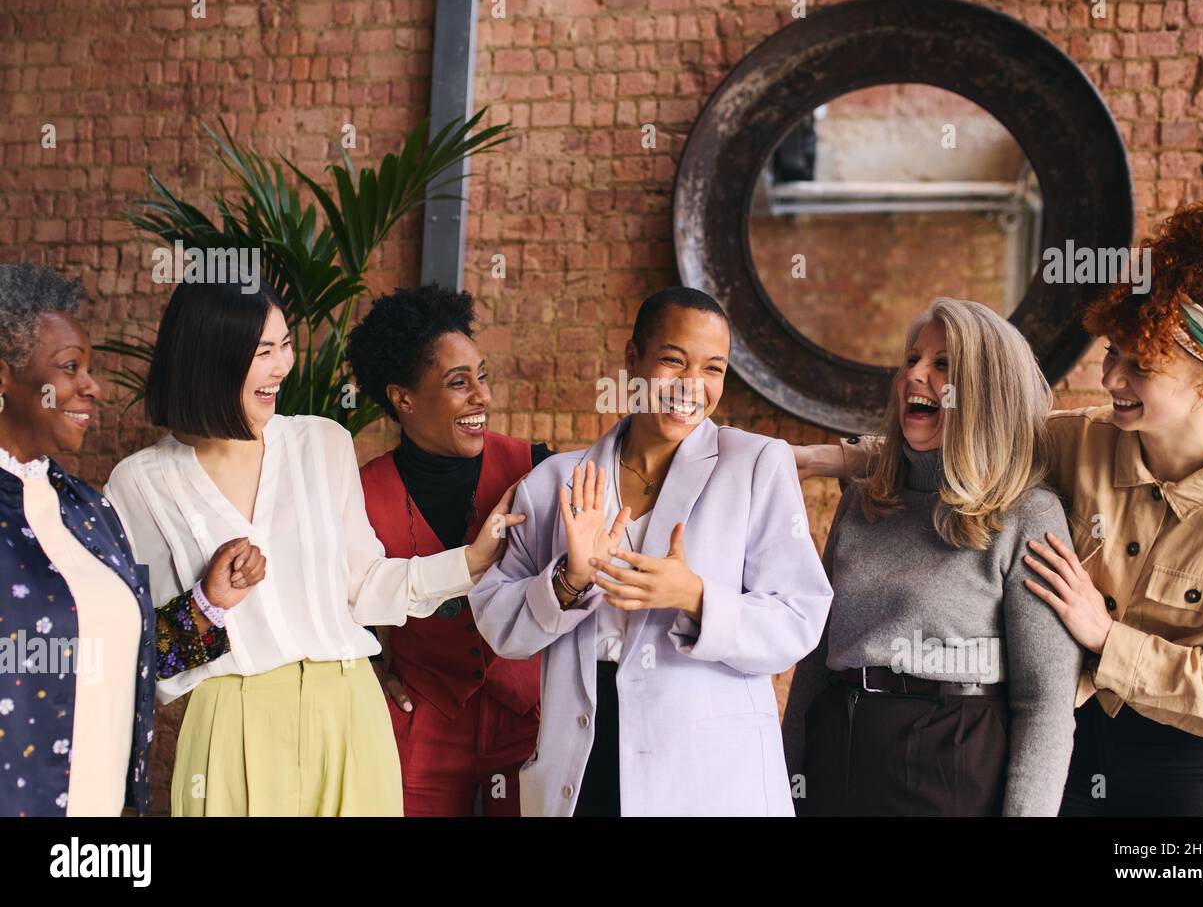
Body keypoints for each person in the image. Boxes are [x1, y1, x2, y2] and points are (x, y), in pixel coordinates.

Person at [795, 202, 1203, 816]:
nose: (1111, 378)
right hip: (1076, 742)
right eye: (1114, 352)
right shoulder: (1080, 439)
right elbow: (971, 438)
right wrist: (833, 459)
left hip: (1188, 762)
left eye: (1140, 367)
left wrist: (1112, 641)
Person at [104, 277, 522, 817]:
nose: (284, 366)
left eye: (285, 345)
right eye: (264, 351)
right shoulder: (139, 484)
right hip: (232, 722)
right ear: (211, 357)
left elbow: (364, 585)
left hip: (348, 709)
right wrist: (207, 603)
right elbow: (143, 656)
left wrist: (473, 560)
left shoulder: (322, 443)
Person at [469, 286, 833, 816]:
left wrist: (696, 597)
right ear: (631, 359)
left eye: (713, 368)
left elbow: (799, 616)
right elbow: (500, 626)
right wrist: (569, 580)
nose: (693, 385)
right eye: (673, 360)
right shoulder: (554, 482)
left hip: (708, 772)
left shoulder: (755, 465)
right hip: (583, 758)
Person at [783, 299, 1082, 816]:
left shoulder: (1030, 514)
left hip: (951, 767)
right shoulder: (865, 496)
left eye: (943, 365)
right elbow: (815, 660)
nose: (914, 375)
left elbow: (1045, 705)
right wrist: (780, 777)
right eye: (913, 359)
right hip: (835, 755)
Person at [0, 264, 261, 817]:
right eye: (70, 368)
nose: (92, 386)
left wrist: (208, 604)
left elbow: (133, 662)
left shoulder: (90, 513)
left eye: (90, 368)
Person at [347, 284, 550, 817]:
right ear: (403, 398)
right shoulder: (360, 494)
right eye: (458, 383)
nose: (481, 396)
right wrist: (370, 671)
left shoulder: (534, 466)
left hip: (527, 716)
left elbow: (635, 466)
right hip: (423, 721)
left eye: (481, 376)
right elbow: (337, 604)